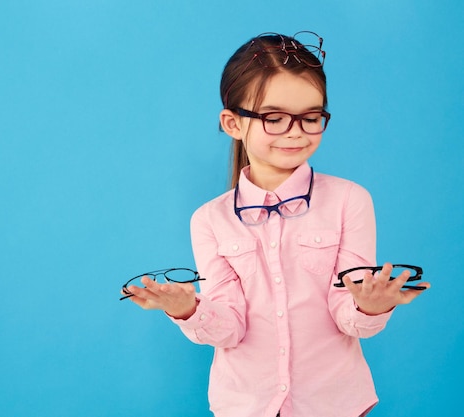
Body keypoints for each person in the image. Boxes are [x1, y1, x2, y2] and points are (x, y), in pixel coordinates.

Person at [123, 31, 430, 417]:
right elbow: (230, 328)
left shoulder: (350, 200)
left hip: (335, 404)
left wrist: (371, 307)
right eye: (275, 118)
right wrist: (188, 310)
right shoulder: (209, 220)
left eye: (311, 117)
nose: (296, 132)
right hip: (243, 405)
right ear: (232, 123)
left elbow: (350, 320)